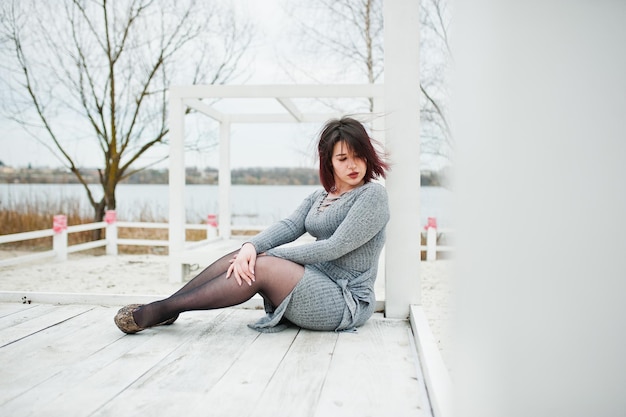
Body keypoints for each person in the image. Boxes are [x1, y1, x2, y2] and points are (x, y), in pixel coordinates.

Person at [114, 116, 390, 334]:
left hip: (345, 300)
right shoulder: (321, 197)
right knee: (244, 256)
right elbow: (290, 225)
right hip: (315, 284)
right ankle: (167, 307)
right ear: (329, 162)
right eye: (343, 158)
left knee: (260, 263)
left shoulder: (372, 195)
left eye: (359, 156)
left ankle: (164, 310)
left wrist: (268, 255)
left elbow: (335, 247)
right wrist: (250, 246)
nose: (353, 165)